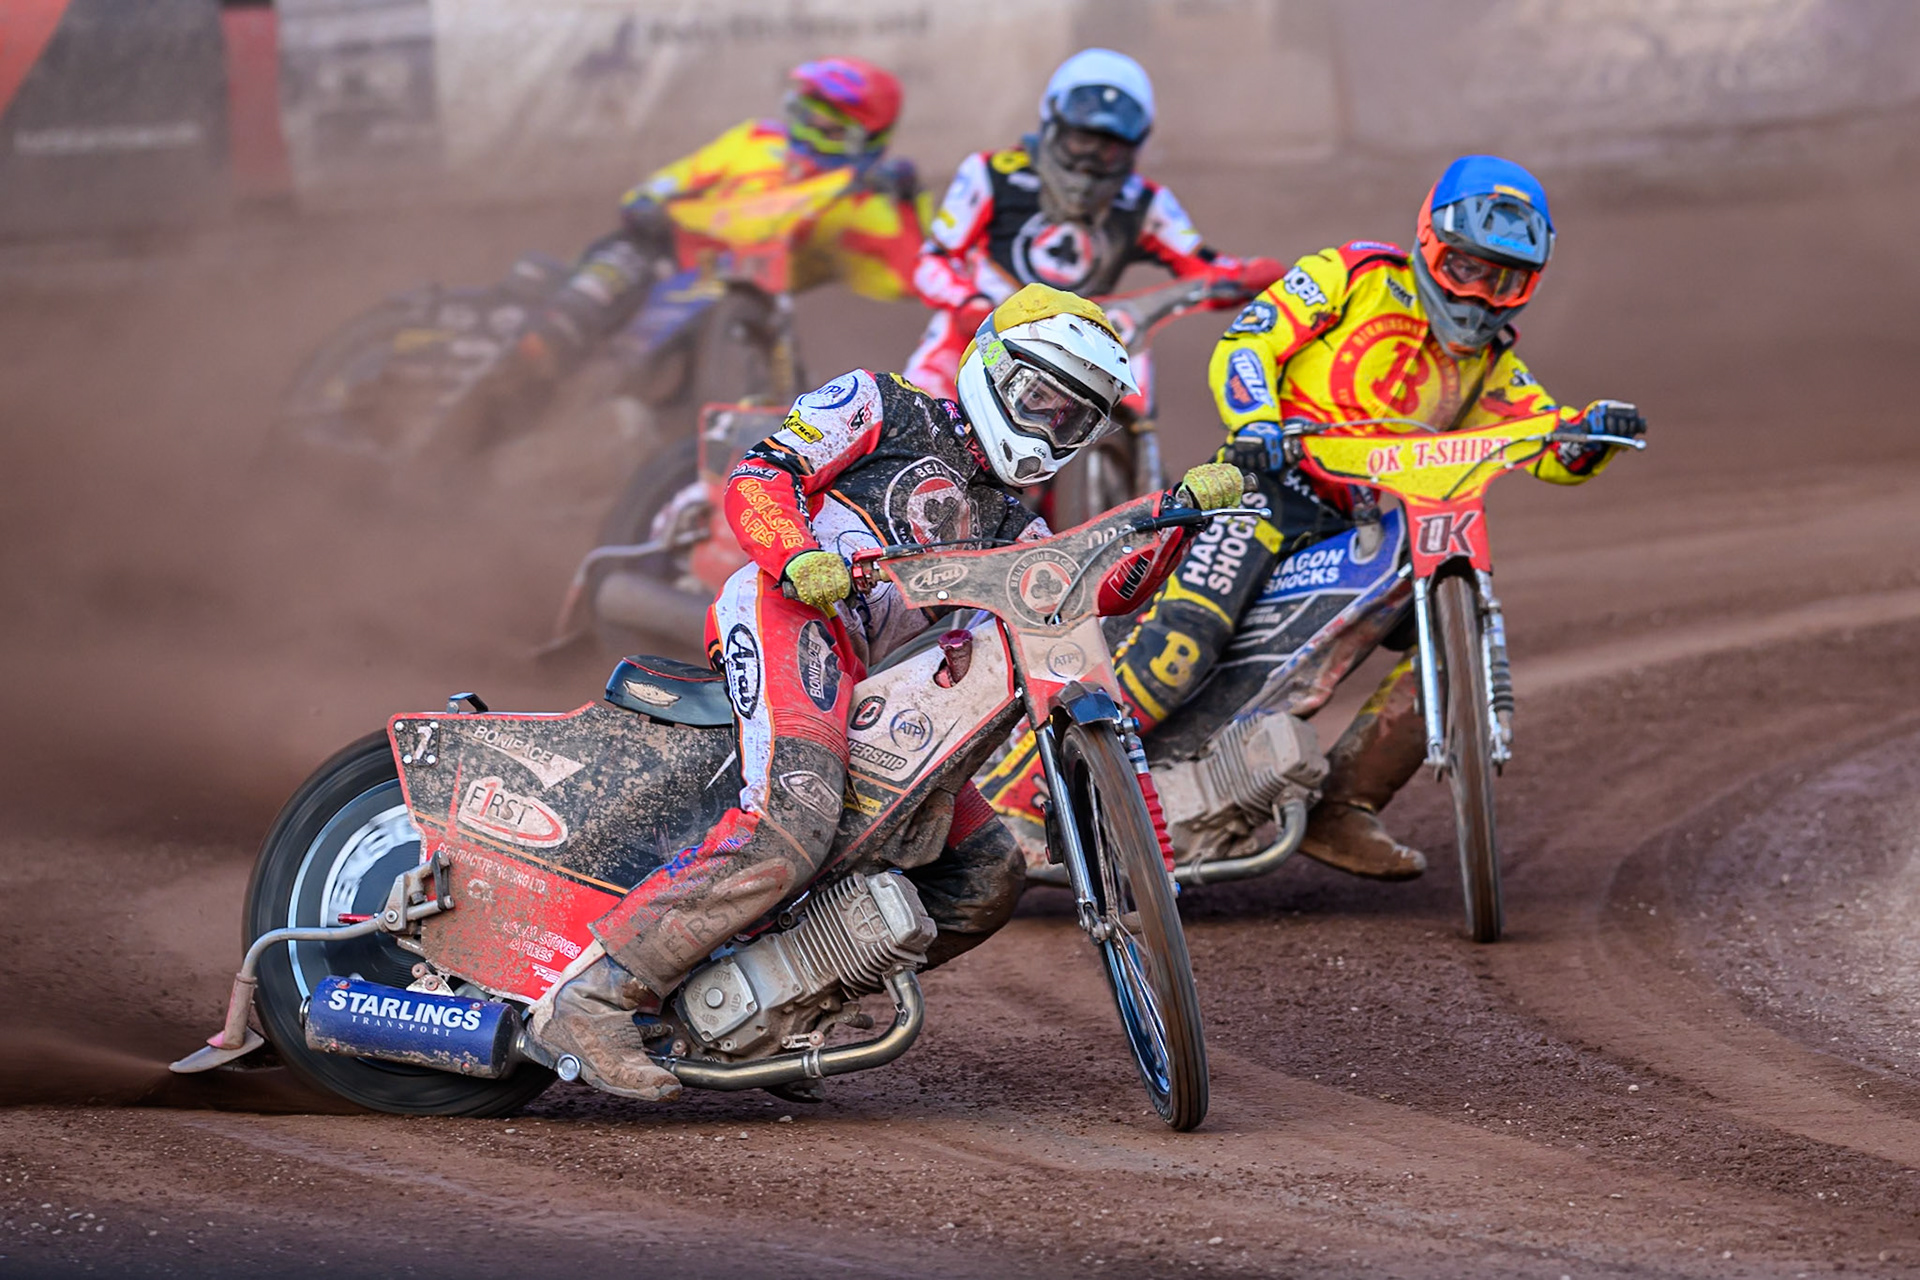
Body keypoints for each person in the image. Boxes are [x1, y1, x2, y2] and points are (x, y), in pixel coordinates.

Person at [534, 284, 1249, 1099]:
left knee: (987, 878)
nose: (1050, 427)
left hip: (884, 681)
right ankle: (593, 998)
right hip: (795, 613)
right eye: (1040, 398)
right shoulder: (881, 401)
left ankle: (775, 1011)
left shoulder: (1017, 524)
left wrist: (1177, 522)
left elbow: (1099, 591)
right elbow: (764, 470)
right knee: (795, 819)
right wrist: (797, 554)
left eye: (1072, 418)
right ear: (991, 366)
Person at [982, 155, 1647, 882]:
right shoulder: (1354, 275)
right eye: (1465, 268)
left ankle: (1344, 807)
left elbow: (1547, 440)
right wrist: (1257, 418)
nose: (1480, 296)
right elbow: (1250, 340)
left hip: (1364, 521)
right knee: (1182, 647)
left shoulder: (1493, 364)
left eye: (1505, 280)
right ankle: (1021, 795)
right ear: (1429, 244)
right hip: (1263, 488)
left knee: (1452, 654)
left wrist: (1590, 436)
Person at [498, 57, 923, 399]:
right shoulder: (757, 140)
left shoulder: (863, 200)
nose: (809, 128)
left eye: (828, 124)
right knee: (625, 262)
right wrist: (650, 202)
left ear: (862, 136)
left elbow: (914, 276)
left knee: (792, 378)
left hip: (750, 307)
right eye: (806, 112)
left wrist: (908, 199)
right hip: (674, 258)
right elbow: (668, 182)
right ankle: (536, 348)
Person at [903, 48, 1280, 400]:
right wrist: (971, 303)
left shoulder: (1144, 201)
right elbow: (933, 260)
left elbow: (1202, 262)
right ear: (1053, 125)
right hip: (983, 334)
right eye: (1083, 139)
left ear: (1135, 148)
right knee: (923, 419)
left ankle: (1140, 466)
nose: (1092, 160)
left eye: (1110, 147)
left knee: (1133, 392)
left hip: (1086, 339)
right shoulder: (991, 174)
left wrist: (1246, 274)